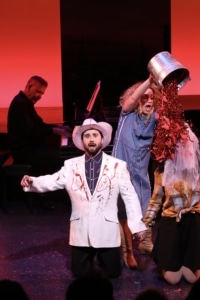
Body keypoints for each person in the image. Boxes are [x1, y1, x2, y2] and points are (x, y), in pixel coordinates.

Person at [20, 118, 147, 279]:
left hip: (106, 229)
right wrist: (33, 182)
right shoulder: (71, 165)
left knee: (114, 273)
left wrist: (137, 225)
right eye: (87, 136)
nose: (91, 139)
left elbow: (130, 196)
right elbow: (53, 180)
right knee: (80, 275)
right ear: (82, 141)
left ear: (102, 140)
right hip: (82, 228)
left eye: (95, 135)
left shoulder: (117, 165)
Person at [142, 121, 200, 285]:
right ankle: (166, 263)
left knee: (191, 278)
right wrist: (145, 226)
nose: (184, 144)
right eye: (179, 141)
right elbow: (156, 199)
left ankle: (183, 262)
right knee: (172, 280)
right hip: (171, 222)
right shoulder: (163, 169)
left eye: (187, 140)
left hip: (192, 223)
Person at [112, 75, 162, 269]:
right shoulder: (127, 114)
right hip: (120, 173)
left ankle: (145, 242)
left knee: (145, 207)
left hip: (139, 175)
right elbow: (130, 101)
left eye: (152, 98)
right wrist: (149, 82)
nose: (148, 101)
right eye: (145, 97)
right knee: (122, 212)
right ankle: (126, 250)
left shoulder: (154, 119)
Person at [7, 75, 71, 174]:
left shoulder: (26, 102)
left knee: (60, 153)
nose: (39, 96)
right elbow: (32, 131)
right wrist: (55, 130)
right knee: (62, 158)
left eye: (42, 93)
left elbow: (39, 124)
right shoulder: (20, 103)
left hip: (31, 148)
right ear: (29, 87)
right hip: (24, 152)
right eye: (38, 91)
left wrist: (59, 127)